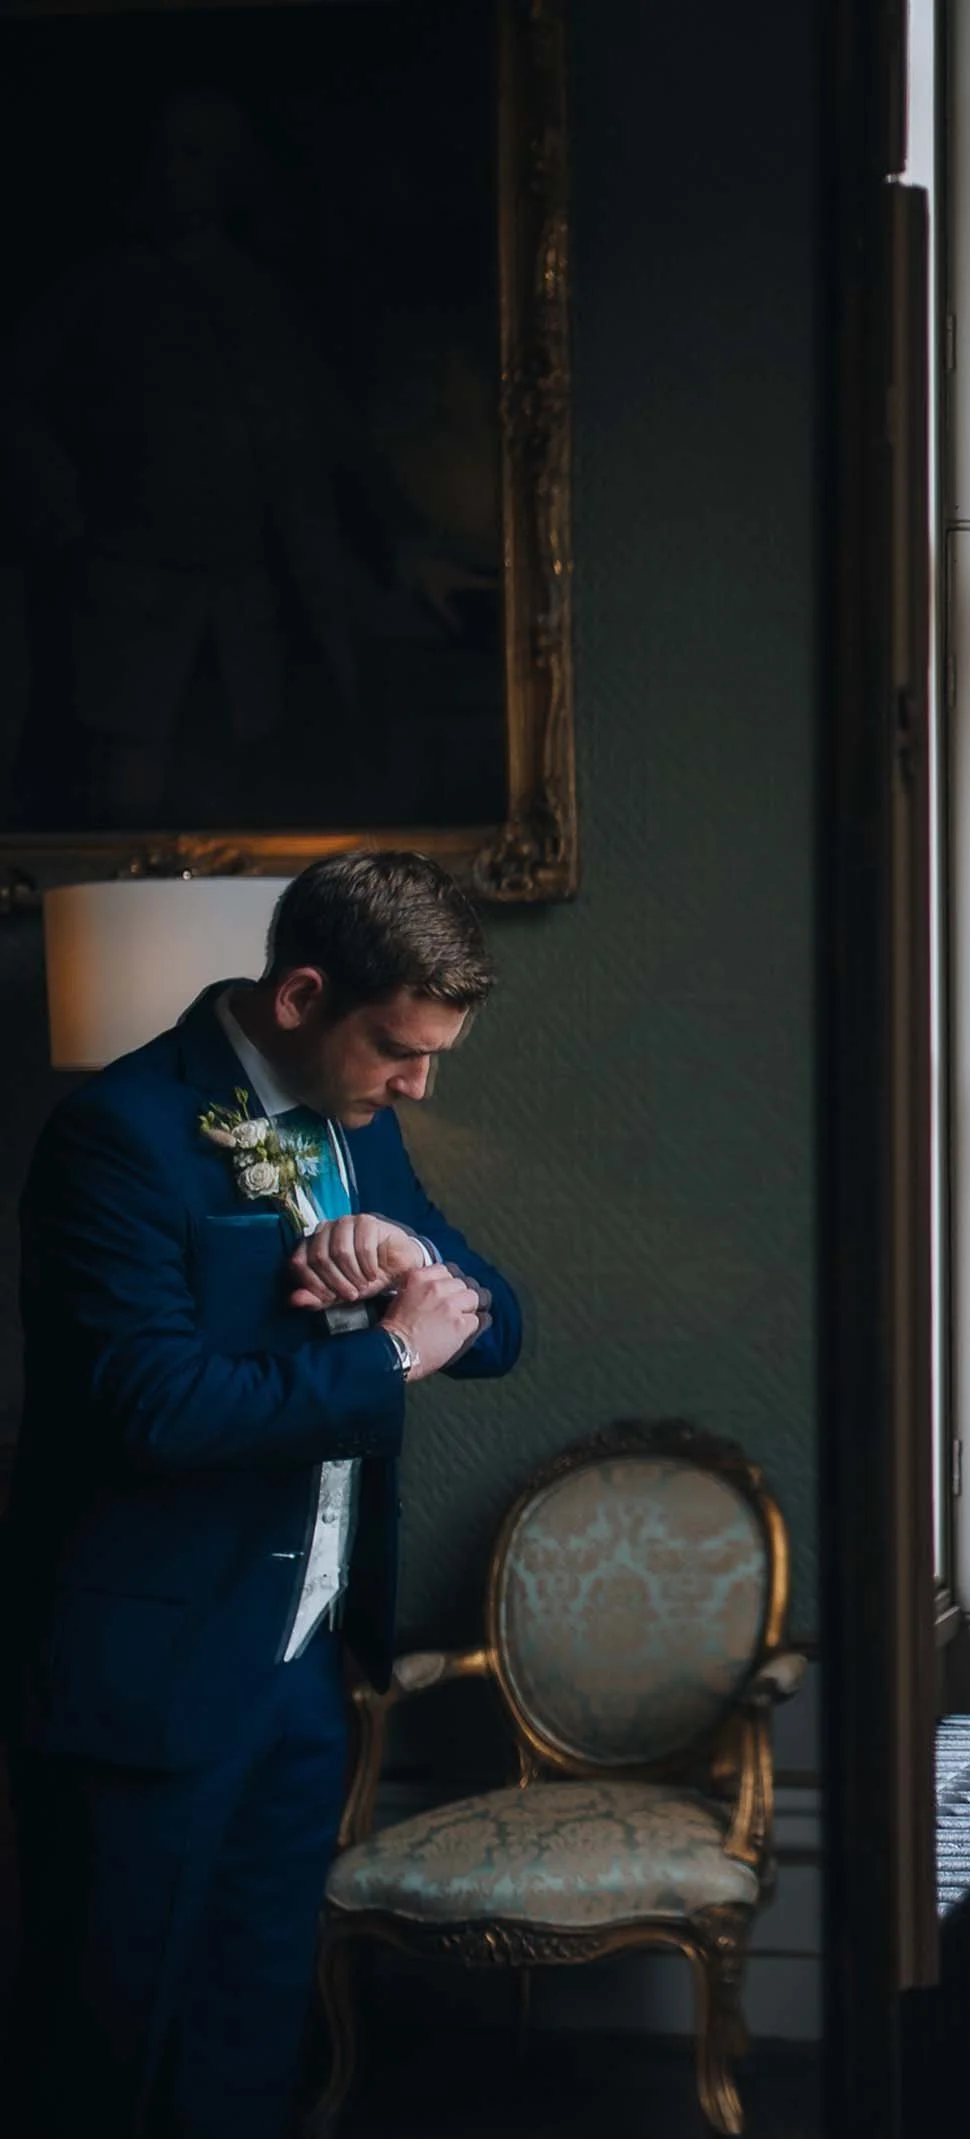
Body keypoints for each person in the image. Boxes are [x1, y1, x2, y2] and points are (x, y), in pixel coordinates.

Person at [0, 849, 524, 2136]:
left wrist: (406, 1255)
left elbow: (495, 1325)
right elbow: (158, 1409)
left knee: (248, 2048)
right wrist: (390, 1353)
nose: (419, 1084)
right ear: (299, 997)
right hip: (146, 1678)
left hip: (303, 1675)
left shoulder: (363, 1127)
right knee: (103, 2058)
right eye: (398, 1049)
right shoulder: (118, 1135)